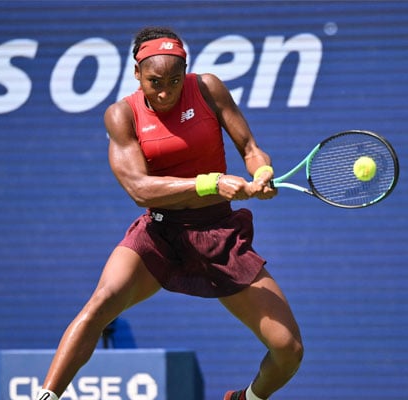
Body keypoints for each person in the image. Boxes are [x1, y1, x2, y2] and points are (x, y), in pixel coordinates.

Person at [37, 27, 303, 400]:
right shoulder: (121, 115)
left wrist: (261, 171)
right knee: (100, 304)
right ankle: (46, 396)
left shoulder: (208, 88)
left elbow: (250, 147)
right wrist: (210, 183)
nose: (165, 92)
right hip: (159, 235)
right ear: (137, 74)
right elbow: (138, 188)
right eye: (154, 82)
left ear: (187, 72)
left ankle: (246, 399)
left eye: (174, 81)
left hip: (219, 235)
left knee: (288, 349)